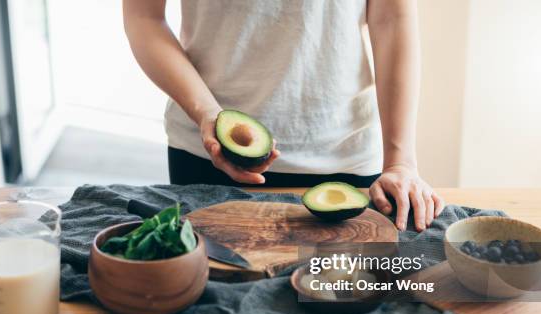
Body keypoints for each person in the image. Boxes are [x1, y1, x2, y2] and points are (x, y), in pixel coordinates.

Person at [123, 0, 444, 232]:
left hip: (346, 158)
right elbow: (144, 16)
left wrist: (400, 162)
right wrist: (208, 114)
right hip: (205, 152)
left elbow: (392, 16)